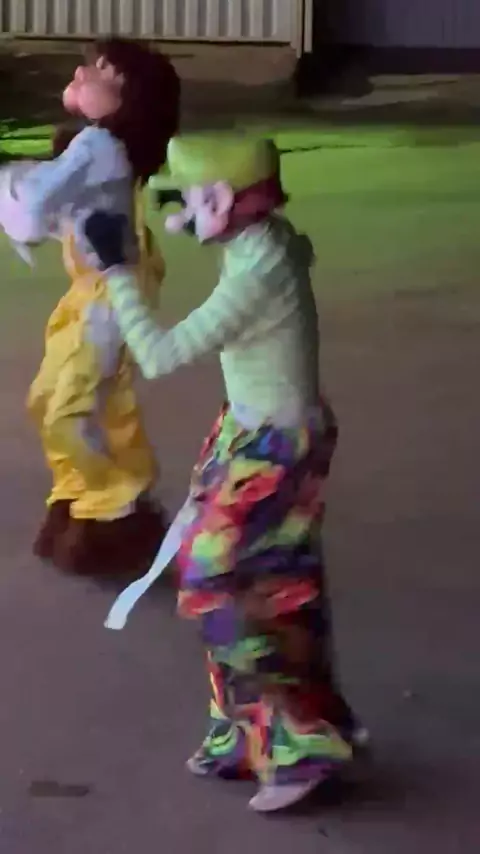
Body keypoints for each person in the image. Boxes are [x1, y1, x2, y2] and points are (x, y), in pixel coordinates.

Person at [85, 134, 367, 811]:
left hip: (274, 447)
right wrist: (170, 213)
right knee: (279, 582)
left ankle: (298, 742)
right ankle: (255, 731)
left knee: (214, 582)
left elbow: (158, 354)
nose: (180, 205)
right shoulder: (265, 240)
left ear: (225, 200)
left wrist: (117, 270)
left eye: (191, 193)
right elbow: (227, 229)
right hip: (257, 430)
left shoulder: (256, 274)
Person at [0, 38, 180, 575]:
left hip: (109, 292)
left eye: (103, 72)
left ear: (128, 101)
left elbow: (33, 210)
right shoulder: (94, 144)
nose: (84, 73)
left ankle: (112, 509)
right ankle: (84, 494)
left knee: (68, 407)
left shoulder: (99, 144)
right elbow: (51, 200)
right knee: (63, 398)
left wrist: (8, 184)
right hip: (93, 289)